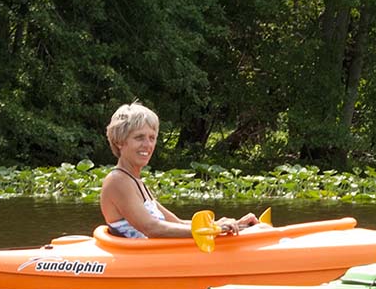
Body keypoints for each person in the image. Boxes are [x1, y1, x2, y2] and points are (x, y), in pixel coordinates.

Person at [99, 101, 258, 239]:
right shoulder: (117, 181)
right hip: (143, 260)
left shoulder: (136, 181)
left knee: (259, 228)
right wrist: (213, 230)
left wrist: (225, 224)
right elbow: (151, 227)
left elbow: (176, 223)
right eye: (139, 137)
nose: (147, 145)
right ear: (120, 142)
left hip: (157, 255)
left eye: (152, 138)